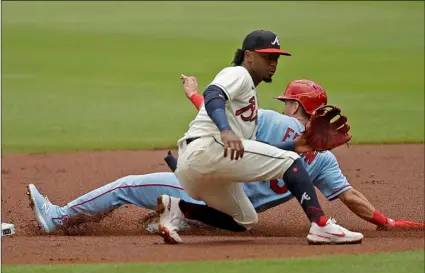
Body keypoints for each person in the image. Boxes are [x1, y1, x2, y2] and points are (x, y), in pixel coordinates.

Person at [26, 78, 423, 240]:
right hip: (233, 216)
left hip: (211, 190)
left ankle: (58, 217)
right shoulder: (324, 162)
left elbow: (227, 122)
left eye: (287, 101)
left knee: (128, 185)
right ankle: (176, 215)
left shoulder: (267, 122)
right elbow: (352, 199)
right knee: (210, 200)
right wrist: (388, 221)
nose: (280, 104)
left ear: (296, 105)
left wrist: (195, 96)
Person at [153, 29, 363, 244]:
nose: (273, 63)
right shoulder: (238, 74)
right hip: (207, 149)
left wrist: (293, 145)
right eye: (267, 56)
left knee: (245, 219)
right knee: (290, 163)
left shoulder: (249, 95)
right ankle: (320, 225)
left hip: (196, 171)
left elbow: (253, 149)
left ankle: (177, 208)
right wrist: (224, 129)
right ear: (249, 56)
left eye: (276, 58)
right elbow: (213, 94)